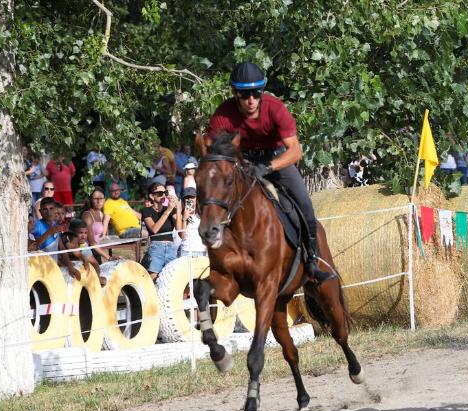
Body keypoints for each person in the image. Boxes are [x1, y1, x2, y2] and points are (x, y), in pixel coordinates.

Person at [206, 61, 334, 283]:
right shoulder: (223, 114)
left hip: (276, 160)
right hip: (243, 162)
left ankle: (313, 260)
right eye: (245, 94)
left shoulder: (275, 108)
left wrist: (268, 166)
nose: (251, 100)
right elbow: (211, 149)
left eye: (256, 93)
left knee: (304, 202)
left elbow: (295, 151)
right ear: (235, 93)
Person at [141, 182, 183, 280]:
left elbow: (180, 230)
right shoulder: (146, 211)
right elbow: (154, 229)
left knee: (171, 278)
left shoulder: (169, 209)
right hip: (156, 247)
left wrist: (177, 208)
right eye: (160, 193)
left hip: (171, 248)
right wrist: (168, 210)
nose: (163, 195)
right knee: (153, 277)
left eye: (165, 192)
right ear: (151, 196)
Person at [81, 188, 116, 263]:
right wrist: (108, 257)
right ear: (91, 200)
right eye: (95, 198)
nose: (98, 201)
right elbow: (91, 242)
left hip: (98, 247)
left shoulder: (103, 213)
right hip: (88, 249)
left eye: (101, 198)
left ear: (104, 200)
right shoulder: (87, 215)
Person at [179, 187, 207, 257]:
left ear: (196, 199)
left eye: (192, 197)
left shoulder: (202, 214)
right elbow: (182, 236)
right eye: (187, 198)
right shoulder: (180, 215)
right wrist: (184, 219)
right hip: (186, 251)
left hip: (201, 251)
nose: (189, 200)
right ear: (183, 200)